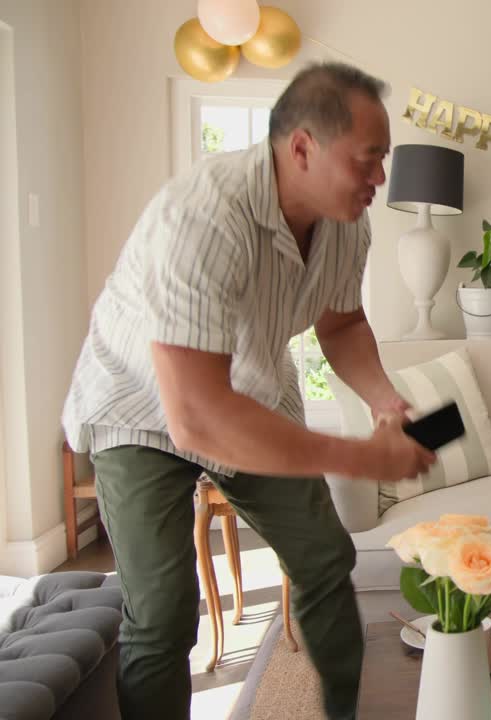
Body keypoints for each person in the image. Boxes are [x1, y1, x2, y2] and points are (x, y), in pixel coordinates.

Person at [61, 62, 435, 720]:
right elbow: (197, 418)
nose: (381, 178)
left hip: (250, 391)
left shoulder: (348, 219)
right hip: (140, 407)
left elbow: (342, 323)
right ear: (302, 149)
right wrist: (357, 456)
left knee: (325, 557)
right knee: (163, 614)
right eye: (368, 160)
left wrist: (385, 402)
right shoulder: (203, 216)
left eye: (384, 159)